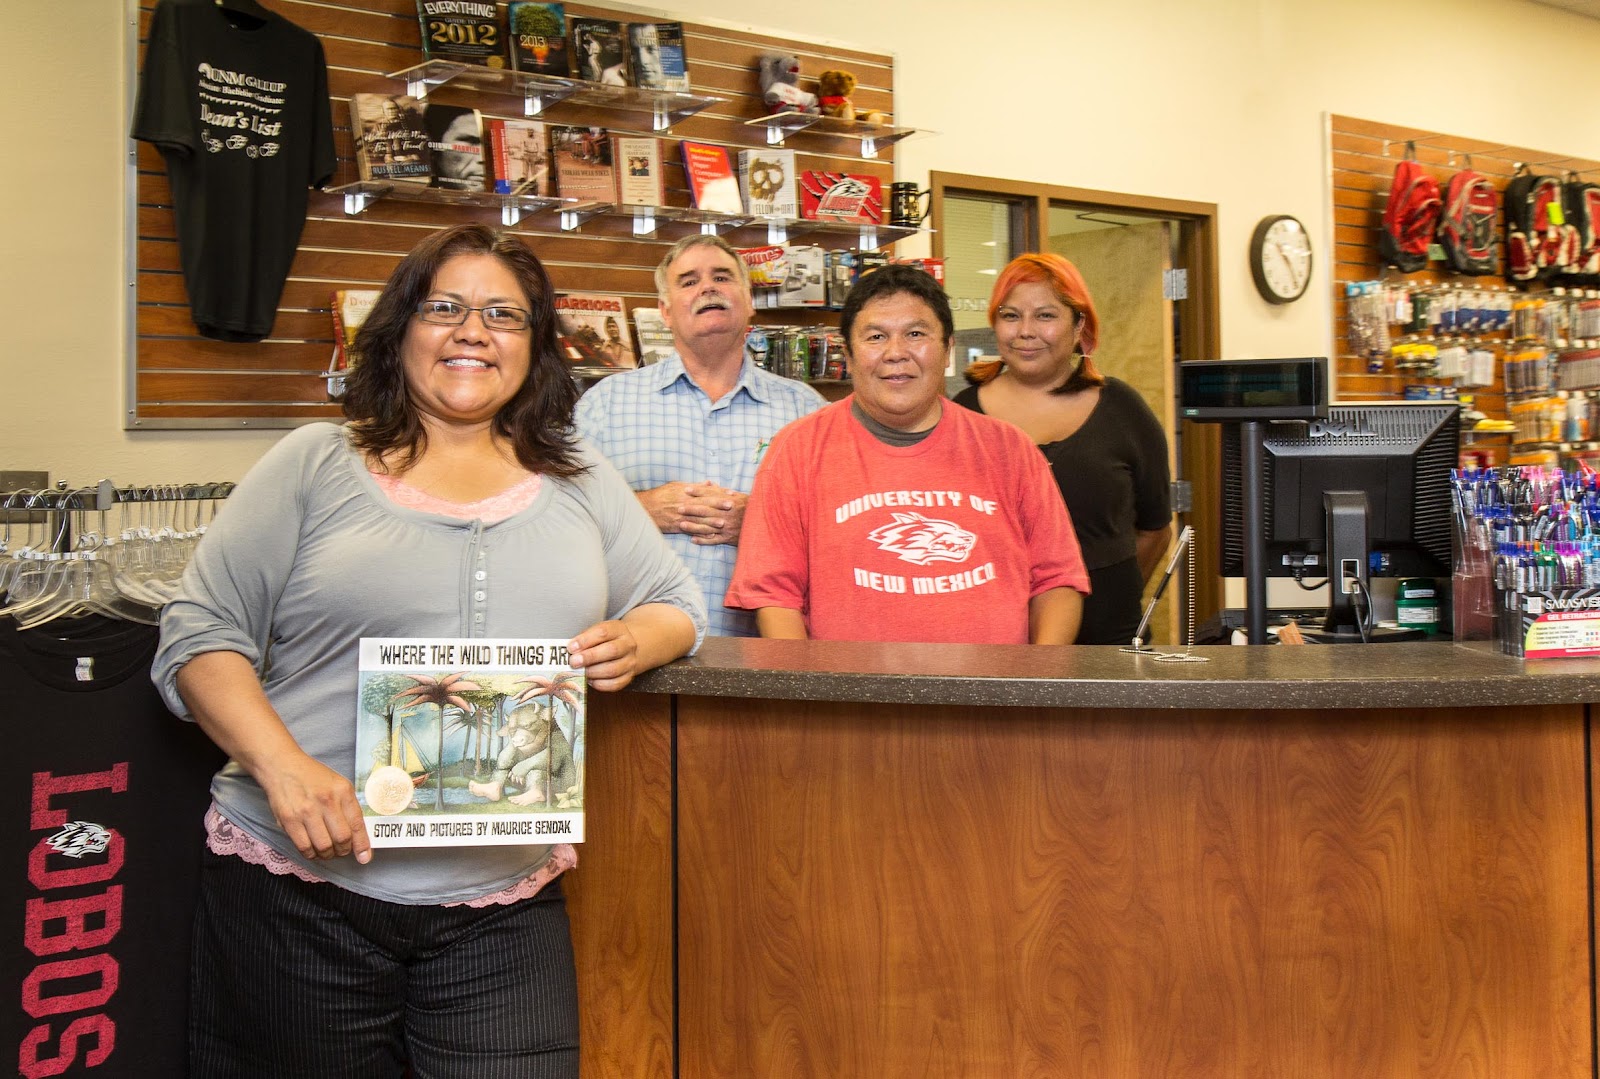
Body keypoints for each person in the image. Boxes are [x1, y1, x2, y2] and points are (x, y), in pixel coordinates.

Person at [152, 223, 704, 1077]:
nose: (472, 331)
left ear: (534, 344)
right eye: (444, 306)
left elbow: (677, 603)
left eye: (503, 315)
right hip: (300, 892)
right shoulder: (314, 463)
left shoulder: (579, 476)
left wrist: (637, 637)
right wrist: (282, 764)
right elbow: (199, 633)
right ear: (401, 326)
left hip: (503, 901)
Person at [726, 264, 1090, 644]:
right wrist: (810, 697)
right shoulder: (796, 450)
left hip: (993, 699)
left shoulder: (1010, 449)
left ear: (948, 349)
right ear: (848, 355)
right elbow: (773, 596)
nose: (896, 353)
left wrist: (1033, 690)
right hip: (847, 701)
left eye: (916, 334)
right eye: (876, 336)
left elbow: (1057, 580)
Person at [576, 234, 825, 637]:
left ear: (748, 302)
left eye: (722, 277)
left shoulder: (805, 411)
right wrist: (641, 510)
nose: (707, 287)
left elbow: (840, 531)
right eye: (689, 281)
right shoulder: (605, 404)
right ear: (666, 312)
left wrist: (765, 522)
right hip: (633, 657)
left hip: (765, 658)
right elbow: (560, 517)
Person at [952, 253, 1173, 645]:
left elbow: (1155, 529)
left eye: (1045, 316)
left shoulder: (1123, 409)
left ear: (1079, 325)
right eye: (1010, 315)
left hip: (1108, 641)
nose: (1025, 331)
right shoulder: (961, 416)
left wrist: (1107, 589)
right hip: (998, 641)